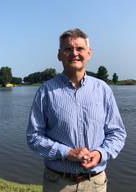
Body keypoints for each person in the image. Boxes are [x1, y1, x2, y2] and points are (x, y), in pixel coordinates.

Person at [26, 28, 126, 192]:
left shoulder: (103, 89)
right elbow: (33, 136)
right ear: (59, 55)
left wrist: (100, 154)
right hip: (58, 183)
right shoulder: (45, 91)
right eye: (68, 49)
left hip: (96, 183)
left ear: (89, 53)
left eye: (79, 48)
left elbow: (117, 133)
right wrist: (67, 153)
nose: (74, 53)